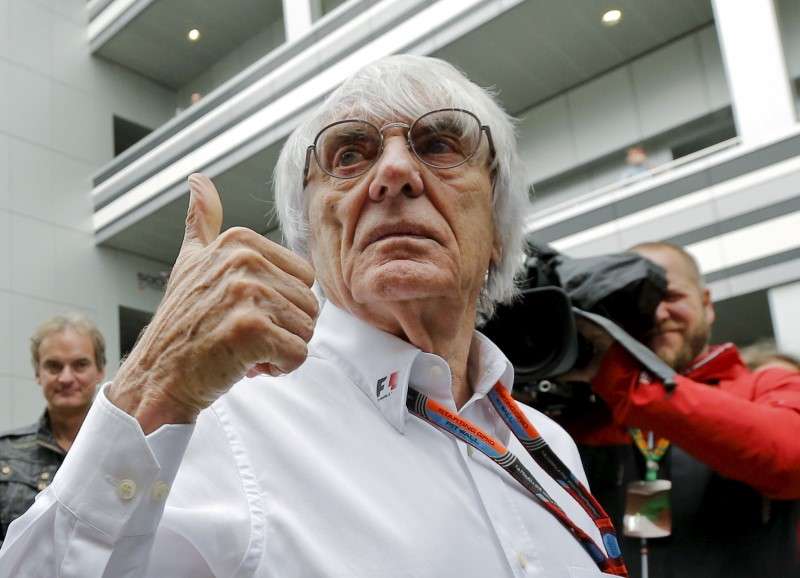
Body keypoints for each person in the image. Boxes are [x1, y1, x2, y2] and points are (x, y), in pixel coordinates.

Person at [0, 55, 627, 577]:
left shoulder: (551, 448)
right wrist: (154, 385)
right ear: (310, 239)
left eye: (438, 144)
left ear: (496, 227)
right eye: (350, 156)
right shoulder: (221, 423)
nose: (396, 172)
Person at [561, 241, 800, 578]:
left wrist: (628, 383)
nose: (658, 314)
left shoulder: (768, 384)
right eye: (641, 302)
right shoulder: (590, 409)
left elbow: (791, 459)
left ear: (707, 304)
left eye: (671, 297)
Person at [0, 313, 106, 546]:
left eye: (80, 364)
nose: (66, 378)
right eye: (53, 366)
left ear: (100, 371)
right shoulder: (5, 454)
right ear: (38, 373)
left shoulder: (124, 451)